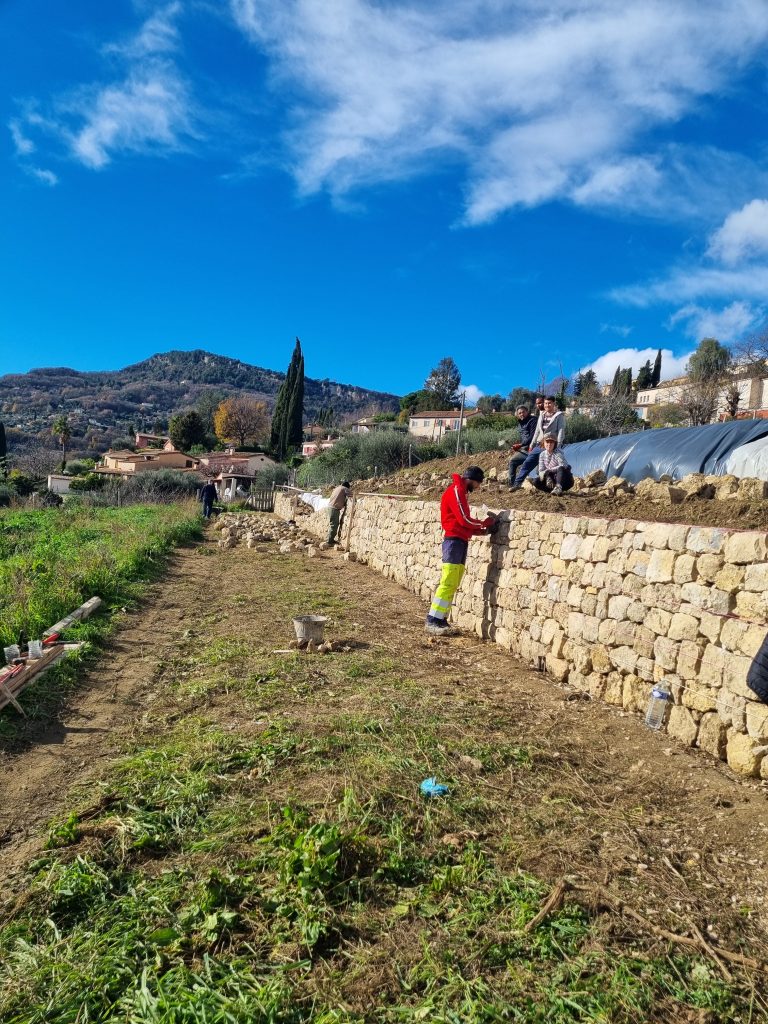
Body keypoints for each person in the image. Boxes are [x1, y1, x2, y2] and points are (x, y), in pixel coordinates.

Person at [425, 466, 496, 635]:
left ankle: (441, 619)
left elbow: (464, 521)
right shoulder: (457, 491)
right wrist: (483, 524)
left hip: (460, 540)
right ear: (472, 479)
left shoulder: (461, 492)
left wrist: (482, 530)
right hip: (453, 541)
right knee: (448, 581)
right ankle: (432, 620)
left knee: (454, 581)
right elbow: (463, 519)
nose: (478, 487)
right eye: (478, 483)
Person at [510, 395, 566, 490]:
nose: (547, 405)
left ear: (553, 404)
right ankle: (517, 484)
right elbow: (537, 431)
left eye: (549, 403)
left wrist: (558, 445)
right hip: (540, 444)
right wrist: (532, 444)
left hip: (551, 445)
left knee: (550, 466)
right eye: (546, 403)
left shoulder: (559, 416)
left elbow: (561, 431)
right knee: (527, 463)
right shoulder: (542, 415)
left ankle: (554, 486)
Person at [507, 405, 537, 485]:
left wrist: (520, 445)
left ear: (527, 412)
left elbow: (532, 436)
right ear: (517, 414)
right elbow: (524, 438)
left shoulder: (533, 420)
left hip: (534, 449)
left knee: (526, 465)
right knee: (512, 461)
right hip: (525, 450)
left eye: (523, 412)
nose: (521, 414)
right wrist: (519, 447)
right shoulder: (520, 424)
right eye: (519, 413)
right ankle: (512, 485)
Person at [327, 480, 351, 544]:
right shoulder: (345, 488)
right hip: (334, 508)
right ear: (347, 486)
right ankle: (329, 541)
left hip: (331, 507)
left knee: (333, 524)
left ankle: (330, 540)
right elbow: (352, 496)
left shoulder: (337, 488)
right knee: (334, 525)